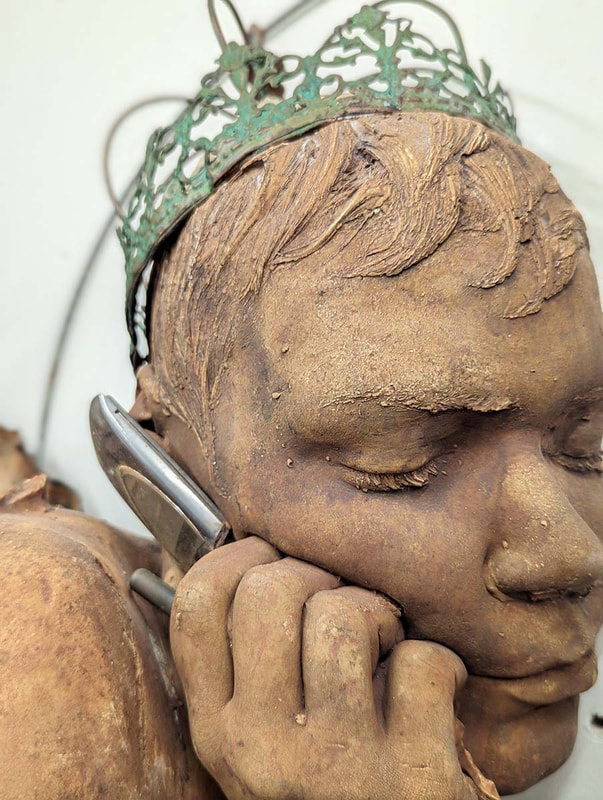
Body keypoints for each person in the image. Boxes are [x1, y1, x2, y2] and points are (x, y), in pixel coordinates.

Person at [1, 4, 601, 799]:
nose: (571, 555)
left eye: (589, 445)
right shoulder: (47, 631)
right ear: (166, 468)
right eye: (400, 462)